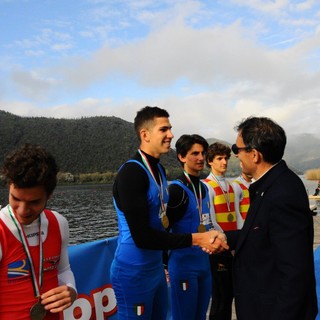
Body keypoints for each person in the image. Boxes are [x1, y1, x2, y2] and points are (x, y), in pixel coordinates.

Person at [110, 106, 228, 320]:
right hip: (133, 270)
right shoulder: (131, 173)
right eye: (164, 129)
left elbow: (162, 224)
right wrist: (197, 239)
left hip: (155, 268)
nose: (171, 135)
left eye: (170, 129)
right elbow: (142, 236)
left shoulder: (160, 171)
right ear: (145, 134)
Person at [228, 116, 318, 320]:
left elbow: (294, 271)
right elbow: (263, 233)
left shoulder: (282, 193)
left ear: (254, 155)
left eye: (237, 149)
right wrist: (226, 238)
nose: (236, 156)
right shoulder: (269, 185)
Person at [0, 144, 77, 319]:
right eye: (15, 198)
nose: (22, 210)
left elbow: (64, 270)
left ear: (49, 196)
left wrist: (72, 290)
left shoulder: (59, 223)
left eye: (33, 202)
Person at [166, 134, 212, 320]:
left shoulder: (204, 188)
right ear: (182, 157)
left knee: (200, 316)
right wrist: (164, 264)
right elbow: (163, 231)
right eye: (195, 153)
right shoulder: (176, 191)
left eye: (203, 153)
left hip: (204, 264)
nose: (201, 158)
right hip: (183, 266)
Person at [202, 142, 239, 320]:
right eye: (219, 159)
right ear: (210, 161)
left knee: (230, 293)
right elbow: (211, 220)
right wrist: (225, 243)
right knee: (220, 296)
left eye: (226, 158)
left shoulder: (232, 186)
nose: (224, 162)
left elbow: (237, 216)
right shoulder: (206, 186)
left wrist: (238, 242)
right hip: (219, 247)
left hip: (232, 245)